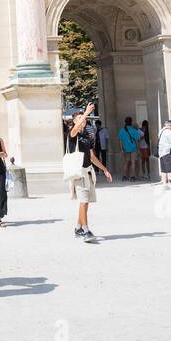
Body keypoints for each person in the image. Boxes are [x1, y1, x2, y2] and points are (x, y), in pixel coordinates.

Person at [65, 103, 113, 242]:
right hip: (78, 172)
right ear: (75, 121)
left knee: (86, 202)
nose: (83, 119)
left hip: (88, 171)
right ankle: (86, 231)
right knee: (84, 201)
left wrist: (104, 169)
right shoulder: (72, 134)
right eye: (80, 118)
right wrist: (86, 112)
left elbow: (92, 156)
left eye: (84, 118)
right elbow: (76, 127)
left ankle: (79, 227)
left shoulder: (86, 135)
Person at [118, 116, 141, 180]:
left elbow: (120, 141)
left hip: (125, 149)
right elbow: (137, 141)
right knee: (133, 162)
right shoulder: (134, 130)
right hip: (133, 148)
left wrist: (122, 149)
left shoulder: (121, 130)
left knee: (126, 162)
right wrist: (138, 150)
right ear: (131, 122)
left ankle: (124, 176)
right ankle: (132, 177)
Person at [157, 120, 171, 187]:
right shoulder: (168, 132)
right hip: (168, 152)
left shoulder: (161, 131)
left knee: (164, 169)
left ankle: (165, 184)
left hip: (162, 152)